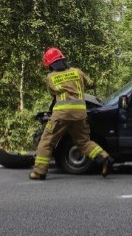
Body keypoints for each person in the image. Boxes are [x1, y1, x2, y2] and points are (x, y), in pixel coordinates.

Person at [30, 48, 113, 180]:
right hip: (80, 114)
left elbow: (53, 93)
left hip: (61, 115)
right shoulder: (77, 72)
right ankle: (104, 157)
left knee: (46, 142)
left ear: (50, 64)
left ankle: (39, 172)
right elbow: (91, 84)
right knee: (83, 142)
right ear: (63, 59)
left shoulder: (51, 77)